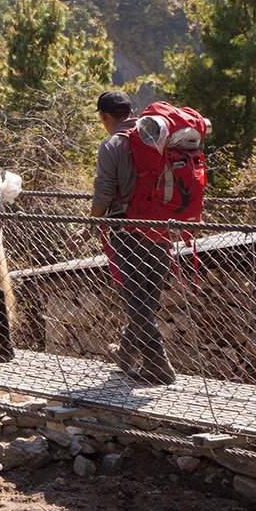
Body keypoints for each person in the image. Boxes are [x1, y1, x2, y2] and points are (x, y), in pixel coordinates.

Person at [90, 89, 178, 385]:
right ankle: (126, 354)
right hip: (163, 227)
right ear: (131, 111)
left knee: (135, 298)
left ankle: (158, 365)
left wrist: (92, 221)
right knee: (146, 298)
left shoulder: (112, 144)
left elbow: (104, 190)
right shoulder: (158, 137)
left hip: (128, 231)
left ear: (105, 116)